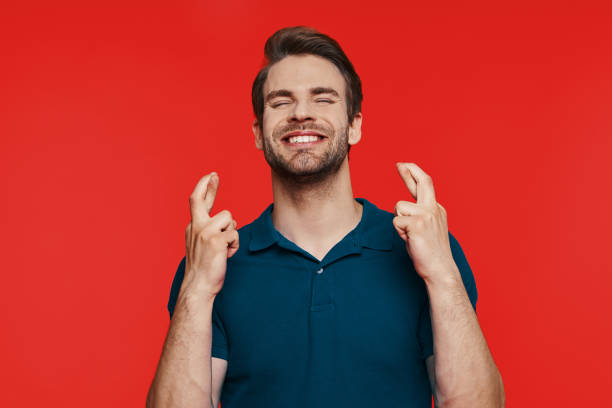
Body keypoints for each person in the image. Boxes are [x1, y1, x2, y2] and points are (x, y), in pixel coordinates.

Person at [146, 26, 505, 408]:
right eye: (281, 102)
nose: (301, 113)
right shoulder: (213, 262)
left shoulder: (428, 251)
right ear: (257, 132)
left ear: (354, 126)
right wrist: (197, 288)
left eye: (323, 99)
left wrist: (443, 274)